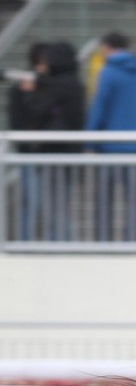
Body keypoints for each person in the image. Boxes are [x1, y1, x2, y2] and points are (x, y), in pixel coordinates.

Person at [85, 31, 136, 242]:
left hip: (110, 148)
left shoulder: (107, 73)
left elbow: (99, 108)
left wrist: (90, 142)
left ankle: (104, 242)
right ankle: (134, 243)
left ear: (107, 48)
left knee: (104, 200)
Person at [7, 41, 86, 241]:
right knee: (55, 208)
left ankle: (59, 249)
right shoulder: (76, 84)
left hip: (52, 156)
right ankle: (61, 248)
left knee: (53, 210)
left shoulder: (58, 86)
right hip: (63, 155)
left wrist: (28, 94)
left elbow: (37, 112)